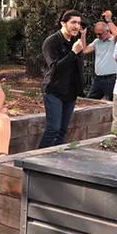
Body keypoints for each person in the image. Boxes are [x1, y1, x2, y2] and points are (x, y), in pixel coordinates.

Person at [39, 9, 84, 148]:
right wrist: (73, 53)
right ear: (63, 23)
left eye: (79, 23)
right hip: (54, 90)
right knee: (54, 129)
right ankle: (37, 158)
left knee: (63, 130)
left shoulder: (75, 42)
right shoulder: (51, 42)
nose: (77, 26)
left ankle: (55, 158)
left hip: (70, 92)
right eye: (73, 22)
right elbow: (55, 68)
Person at [81, 10, 117, 100]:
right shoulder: (97, 42)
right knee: (90, 101)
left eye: (99, 34)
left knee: (113, 103)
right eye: (96, 34)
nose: (97, 36)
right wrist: (83, 34)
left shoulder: (114, 41)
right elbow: (85, 50)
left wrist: (109, 21)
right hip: (99, 79)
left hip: (112, 78)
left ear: (107, 31)